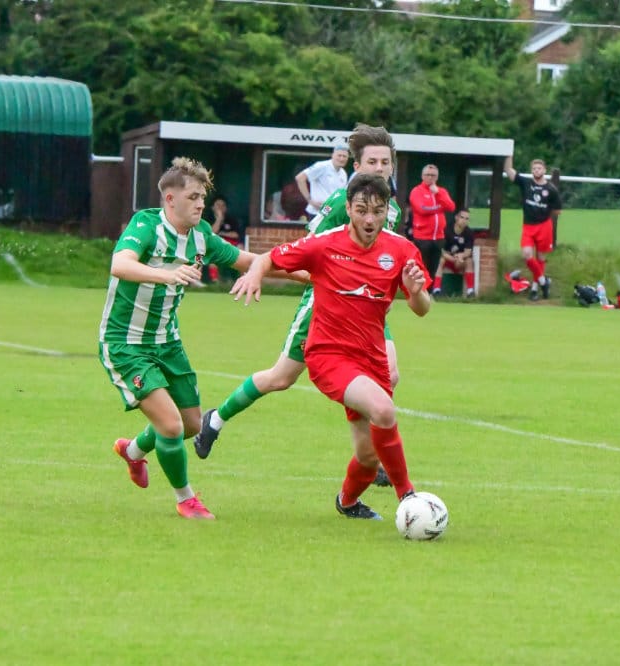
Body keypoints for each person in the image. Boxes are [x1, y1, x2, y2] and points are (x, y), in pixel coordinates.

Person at [193, 124, 405, 490]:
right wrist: (331, 281)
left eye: (385, 162)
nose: (379, 168)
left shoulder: (392, 208)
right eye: (371, 161)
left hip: (369, 310)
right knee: (281, 377)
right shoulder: (342, 203)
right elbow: (304, 253)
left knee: (390, 374)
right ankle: (215, 419)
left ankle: (370, 455)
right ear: (356, 165)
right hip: (324, 306)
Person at [99, 156, 306, 520]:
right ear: (170, 200)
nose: (200, 204)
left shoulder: (201, 238)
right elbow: (120, 264)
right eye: (193, 197)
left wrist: (311, 275)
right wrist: (167, 275)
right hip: (125, 343)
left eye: (202, 198)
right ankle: (186, 499)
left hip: (167, 342)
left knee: (192, 423)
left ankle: (132, 451)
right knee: (171, 425)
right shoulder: (146, 225)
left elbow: (248, 261)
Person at [231, 173, 431, 520]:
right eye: (361, 210)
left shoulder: (401, 249)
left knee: (368, 457)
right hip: (328, 355)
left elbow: (421, 308)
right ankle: (409, 498)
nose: (370, 219)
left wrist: (416, 292)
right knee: (384, 411)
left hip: (372, 360)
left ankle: (348, 502)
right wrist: (255, 274)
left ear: (387, 212)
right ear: (349, 209)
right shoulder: (325, 244)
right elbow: (269, 258)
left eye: (378, 211)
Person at [504, 154, 562, 301]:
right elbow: (509, 171)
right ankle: (543, 282)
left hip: (544, 226)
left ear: (544, 170)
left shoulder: (551, 189)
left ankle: (535, 290)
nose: (536, 170)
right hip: (528, 226)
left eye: (539, 168)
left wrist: (544, 215)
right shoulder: (526, 183)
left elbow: (557, 210)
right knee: (527, 255)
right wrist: (509, 154)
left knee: (541, 258)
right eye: (534, 168)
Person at [408, 164, 455, 285]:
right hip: (422, 237)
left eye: (433, 175)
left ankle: (429, 293)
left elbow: (451, 206)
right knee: (421, 267)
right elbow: (422, 209)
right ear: (422, 176)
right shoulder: (416, 191)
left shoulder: (441, 191)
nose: (430, 177)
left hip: (438, 237)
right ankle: (418, 292)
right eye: (427, 175)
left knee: (433, 268)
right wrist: (440, 208)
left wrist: (438, 193)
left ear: (437, 177)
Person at [295, 143, 350, 219]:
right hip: (317, 213)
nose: (341, 159)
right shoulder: (322, 166)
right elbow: (300, 178)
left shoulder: (343, 173)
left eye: (344, 156)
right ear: (333, 155)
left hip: (332, 214)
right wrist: (310, 200)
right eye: (339, 155)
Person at [432, 208, 476, 298]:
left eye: (467, 219)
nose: (464, 221)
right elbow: (442, 251)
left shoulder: (469, 233)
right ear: (456, 218)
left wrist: (461, 256)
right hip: (448, 260)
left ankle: (470, 291)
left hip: (460, 262)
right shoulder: (446, 230)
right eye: (462, 217)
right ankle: (436, 290)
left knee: (469, 261)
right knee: (440, 260)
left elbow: (468, 252)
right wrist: (452, 258)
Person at [203, 194, 243, 283]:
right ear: (212, 207)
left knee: (241, 248)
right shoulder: (207, 219)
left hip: (229, 245)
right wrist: (219, 219)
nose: (220, 208)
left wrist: (222, 233)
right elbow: (211, 233)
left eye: (223, 205)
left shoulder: (231, 219)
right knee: (212, 254)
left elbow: (236, 235)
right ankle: (215, 282)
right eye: (218, 205)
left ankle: (242, 279)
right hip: (214, 247)